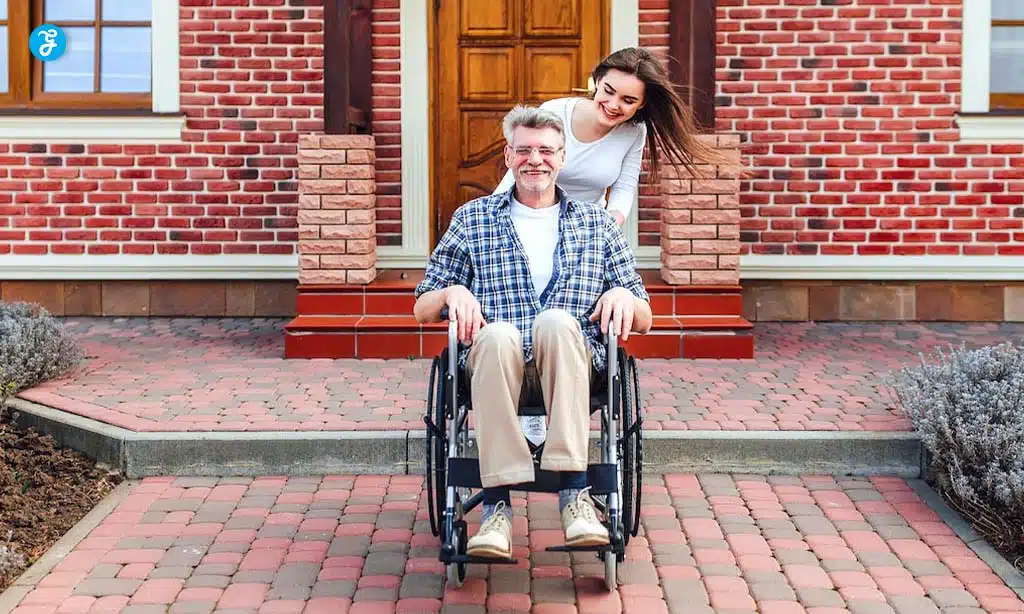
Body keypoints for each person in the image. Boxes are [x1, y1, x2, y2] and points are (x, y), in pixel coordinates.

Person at [413, 105, 653, 559]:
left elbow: (644, 315)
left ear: (562, 158)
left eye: (546, 151)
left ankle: (575, 495)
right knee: (499, 334)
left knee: (558, 322)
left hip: (572, 364)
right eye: (524, 150)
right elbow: (421, 306)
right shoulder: (474, 219)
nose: (535, 160)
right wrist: (452, 294)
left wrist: (625, 298)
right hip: (494, 364)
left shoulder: (597, 224)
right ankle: (496, 511)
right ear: (508, 157)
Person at [492, 46, 730, 227]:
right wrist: (490, 215)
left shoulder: (634, 132)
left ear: (642, 104)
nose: (613, 105)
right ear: (597, 82)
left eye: (628, 100)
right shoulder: (553, 113)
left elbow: (624, 187)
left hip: (588, 226)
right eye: (608, 91)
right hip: (531, 218)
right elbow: (519, 167)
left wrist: (610, 224)